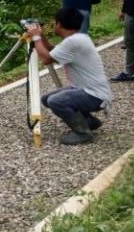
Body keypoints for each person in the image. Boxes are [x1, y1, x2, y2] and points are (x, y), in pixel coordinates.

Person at [26, 8, 112, 145]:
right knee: (46, 99)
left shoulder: (73, 42)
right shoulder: (79, 38)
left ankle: (83, 133)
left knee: (56, 101)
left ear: (59, 24)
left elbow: (46, 59)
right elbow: (52, 50)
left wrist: (35, 37)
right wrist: (40, 36)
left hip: (94, 95)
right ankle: (89, 122)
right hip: (90, 90)